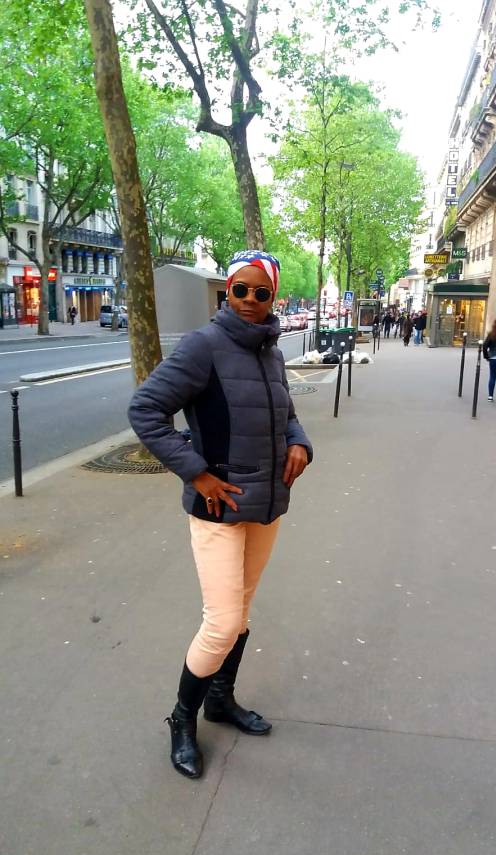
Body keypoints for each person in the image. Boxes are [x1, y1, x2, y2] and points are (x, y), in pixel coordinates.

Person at [128, 250, 313, 779]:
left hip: (267, 503)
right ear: (226, 292)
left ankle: (220, 700)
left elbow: (287, 415)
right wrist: (196, 472)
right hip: (218, 508)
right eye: (240, 290)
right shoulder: (203, 346)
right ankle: (182, 718)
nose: (250, 300)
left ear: (273, 297)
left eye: (262, 292)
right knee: (224, 621)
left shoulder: (271, 351)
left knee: (241, 613)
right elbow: (146, 409)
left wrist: (300, 443)